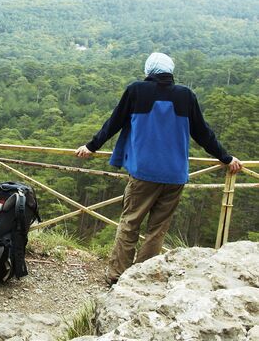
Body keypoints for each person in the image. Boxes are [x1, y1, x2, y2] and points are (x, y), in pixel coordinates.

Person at [75, 52, 243, 286]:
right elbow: (204, 134)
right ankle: (142, 278)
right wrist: (226, 158)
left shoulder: (136, 90)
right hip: (175, 175)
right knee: (157, 230)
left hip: (144, 173)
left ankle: (117, 276)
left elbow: (113, 122)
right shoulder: (186, 95)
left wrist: (91, 146)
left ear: (149, 71)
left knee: (130, 222)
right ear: (169, 71)